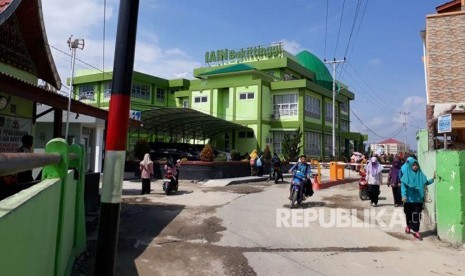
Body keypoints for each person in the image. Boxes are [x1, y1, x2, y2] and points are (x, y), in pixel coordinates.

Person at [401, 158, 435, 240]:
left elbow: (425, 182)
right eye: (413, 165)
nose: (415, 166)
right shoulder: (406, 175)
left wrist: (433, 179)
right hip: (408, 200)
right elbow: (403, 187)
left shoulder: (421, 174)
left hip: (418, 200)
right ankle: (408, 226)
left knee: (417, 215)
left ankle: (416, 231)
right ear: (410, 166)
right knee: (409, 215)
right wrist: (403, 195)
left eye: (416, 165)